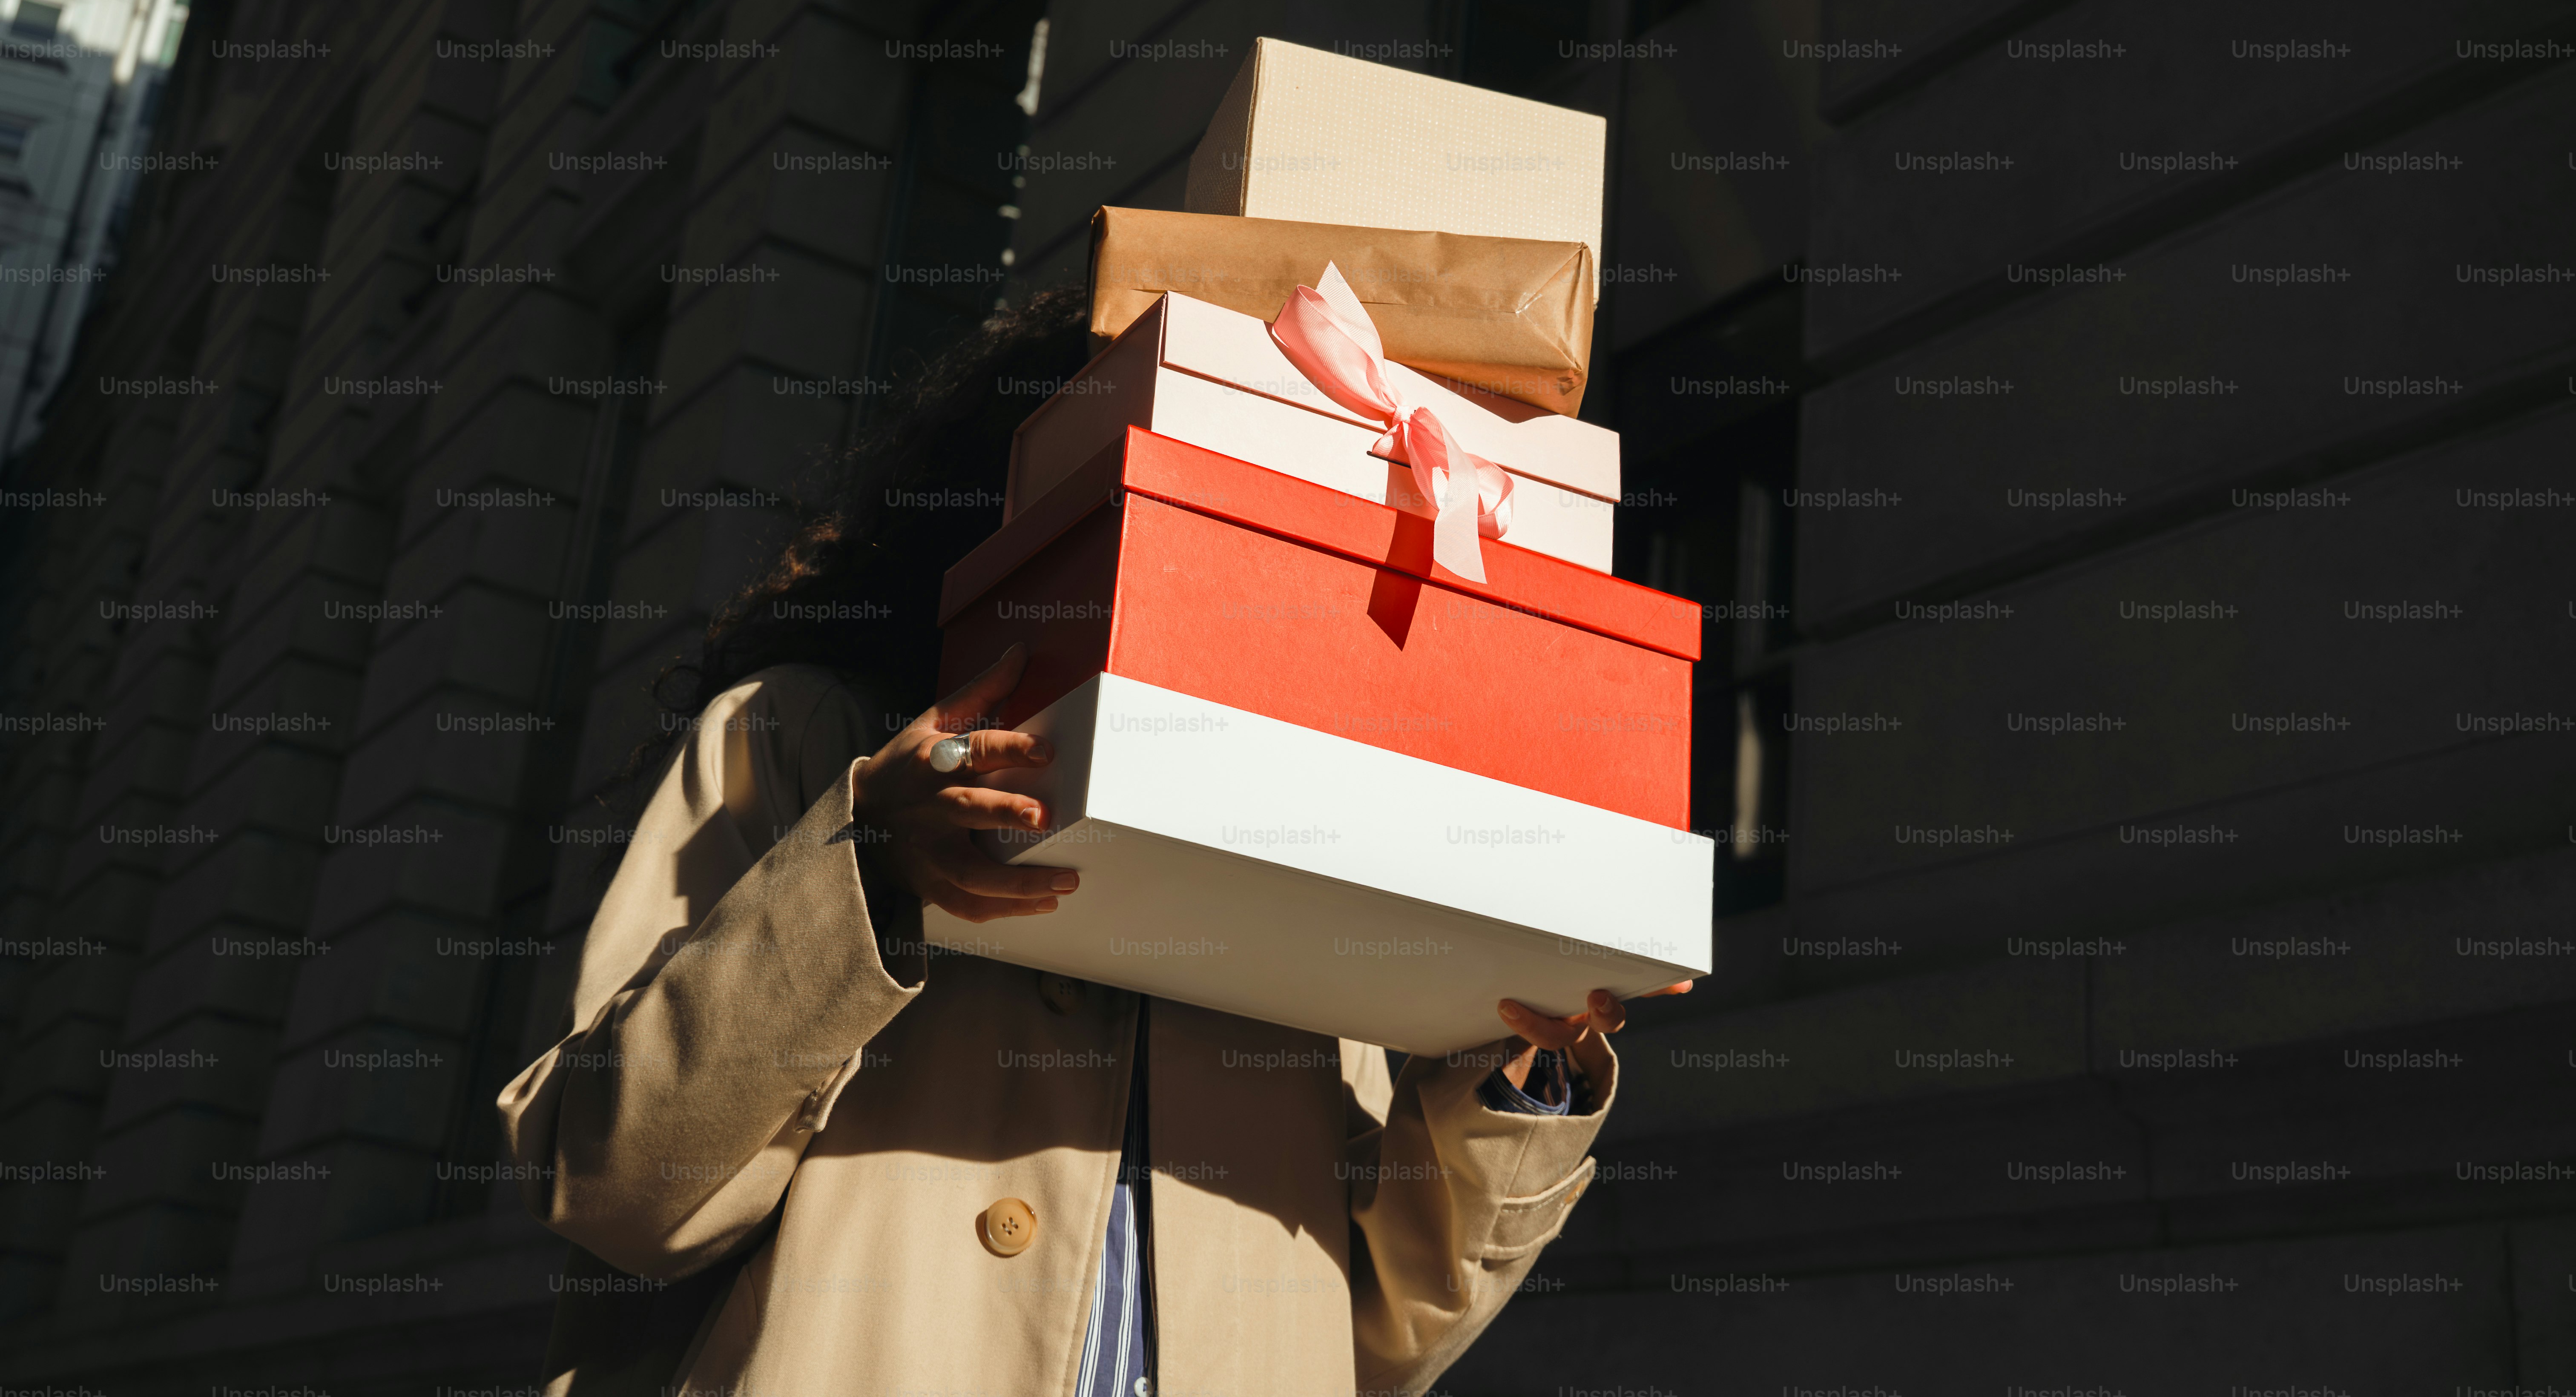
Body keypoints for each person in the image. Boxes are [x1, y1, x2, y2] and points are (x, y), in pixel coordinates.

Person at [497, 287, 1691, 1397]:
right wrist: (868, 868)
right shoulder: (806, 731)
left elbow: (1380, 1340)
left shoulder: (1327, 833)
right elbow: (617, 1190)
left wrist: (1509, 1064)